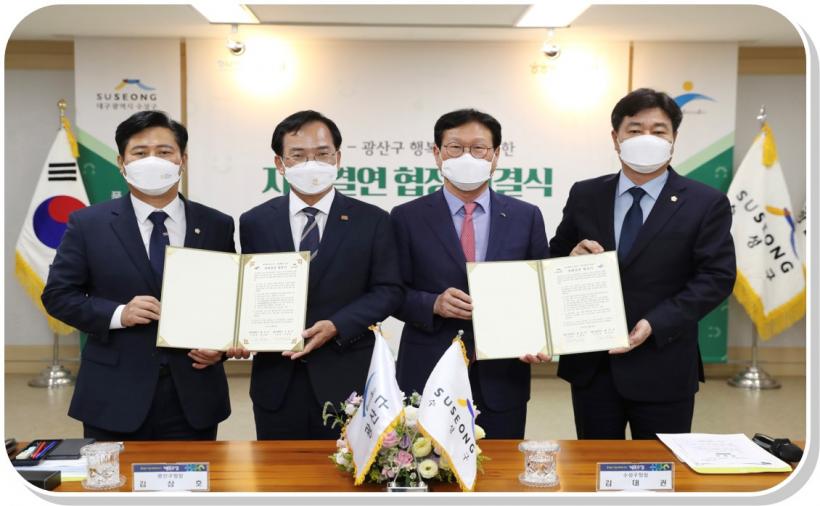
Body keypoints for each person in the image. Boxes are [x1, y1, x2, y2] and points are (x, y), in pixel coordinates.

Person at [549, 88, 736, 439]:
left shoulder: (705, 202)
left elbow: (716, 277)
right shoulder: (586, 194)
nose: (646, 138)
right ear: (615, 138)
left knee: (661, 467)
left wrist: (656, 322)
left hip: (664, 361)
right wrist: (569, 259)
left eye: (658, 130)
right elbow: (554, 257)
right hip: (593, 367)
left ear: (673, 139)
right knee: (595, 464)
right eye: (635, 130)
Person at [42, 110, 234, 440]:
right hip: (113, 394)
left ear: (183, 160)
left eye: (164, 151)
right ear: (121, 162)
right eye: (140, 153)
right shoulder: (88, 224)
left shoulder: (217, 224)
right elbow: (58, 296)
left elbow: (229, 299)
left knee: (191, 475)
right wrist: (119, 314)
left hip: (194, 393)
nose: (152, 161)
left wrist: (222, 347)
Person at [230, 110, 403, 440]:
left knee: (349, 470)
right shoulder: (255, 221)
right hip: (277, 381)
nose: (312, 164)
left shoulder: (373, 220)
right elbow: (247, 289)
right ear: (280, 163)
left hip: (348, 378)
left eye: (322, 154)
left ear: (338, 158)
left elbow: (388, 290)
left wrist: (338, 325)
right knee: (277, 471)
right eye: (298, 155)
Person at [390, 108, 550, 439]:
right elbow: (391, 291)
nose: (467, 157)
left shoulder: (526, 216)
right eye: (455, 147)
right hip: (428, 368)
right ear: (437, 154)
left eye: (478, 148)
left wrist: (539, 337)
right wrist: (433, 304)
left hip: (503, 373)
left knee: (500, 465)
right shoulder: (406, 217)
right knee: (425, 463)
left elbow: (540, 291)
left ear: (495, 155)